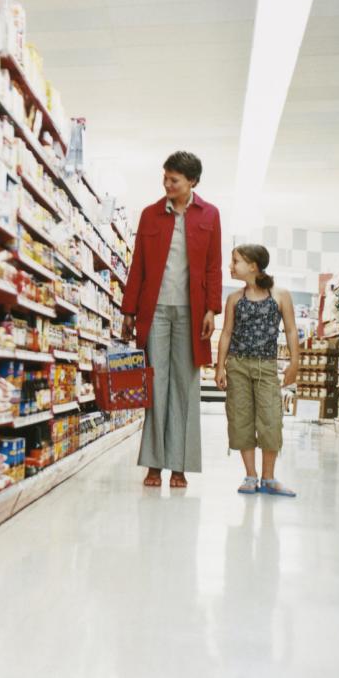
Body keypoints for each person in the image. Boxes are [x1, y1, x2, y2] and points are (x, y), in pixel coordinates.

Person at [121, 152, 222, 488]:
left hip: (192, 314)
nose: (166, 184)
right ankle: (153, 464)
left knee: (184, 387)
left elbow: (213, 266)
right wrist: (128, 311)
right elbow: (138, 265)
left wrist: (211, 309)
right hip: (155, 311)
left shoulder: (210, 215)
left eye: (174, 180)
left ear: (192, 181)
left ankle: (179, 465)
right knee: (155, 386)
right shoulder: (151, 215)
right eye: (165, 178)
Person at [215, 244, 299, 497]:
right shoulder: (234, 299)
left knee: (271, 419)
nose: (231, 266)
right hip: (238, 365)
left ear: (253, 266)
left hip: (267, 366)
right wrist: (220, 366)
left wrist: (295, 362)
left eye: (235, 261)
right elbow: (227, 333)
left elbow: (292, 330)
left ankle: (269, 478)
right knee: (240, 418)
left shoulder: (280, 295)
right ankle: (251, 476)